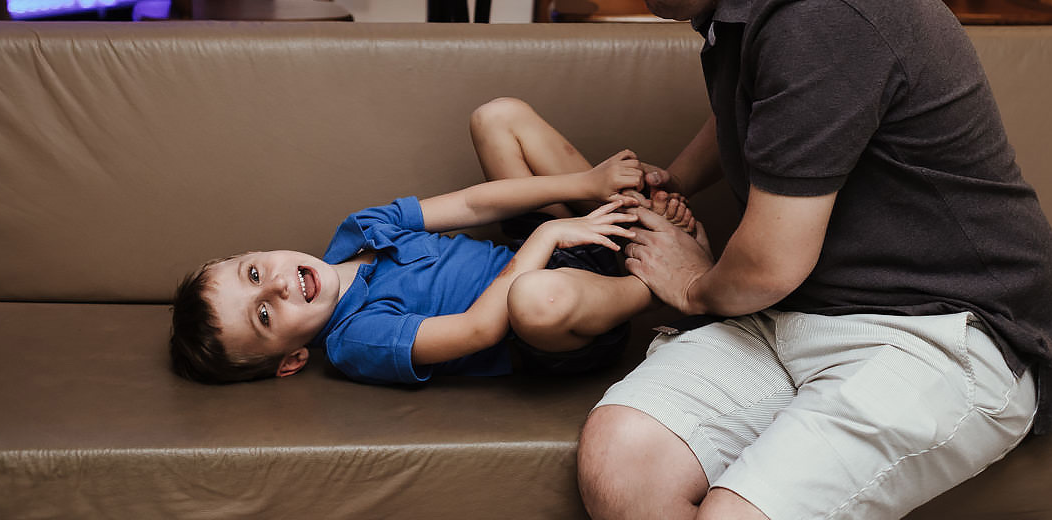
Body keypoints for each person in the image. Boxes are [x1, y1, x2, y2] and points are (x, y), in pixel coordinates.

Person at [544, 0, 1052, 520]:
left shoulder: (821, 6)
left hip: (941, 330)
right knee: (620, 463)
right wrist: (679, 178)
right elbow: (774, 103)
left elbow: (767, 263)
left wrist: (693, 284)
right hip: (794, 313)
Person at [169, 98, 695, 386]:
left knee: (497, 118)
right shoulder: (356, 341)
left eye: (254, 274)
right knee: (533, 299)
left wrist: (584, 186)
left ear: (255, 253)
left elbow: (474, 206)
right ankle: (659, 279)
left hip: (556, 251)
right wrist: (548, 232)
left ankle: (633, 211)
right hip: (559, 322)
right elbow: (480, 328)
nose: (278, 287)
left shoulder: (359, 230)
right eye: (264, 315)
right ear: (291, 360)